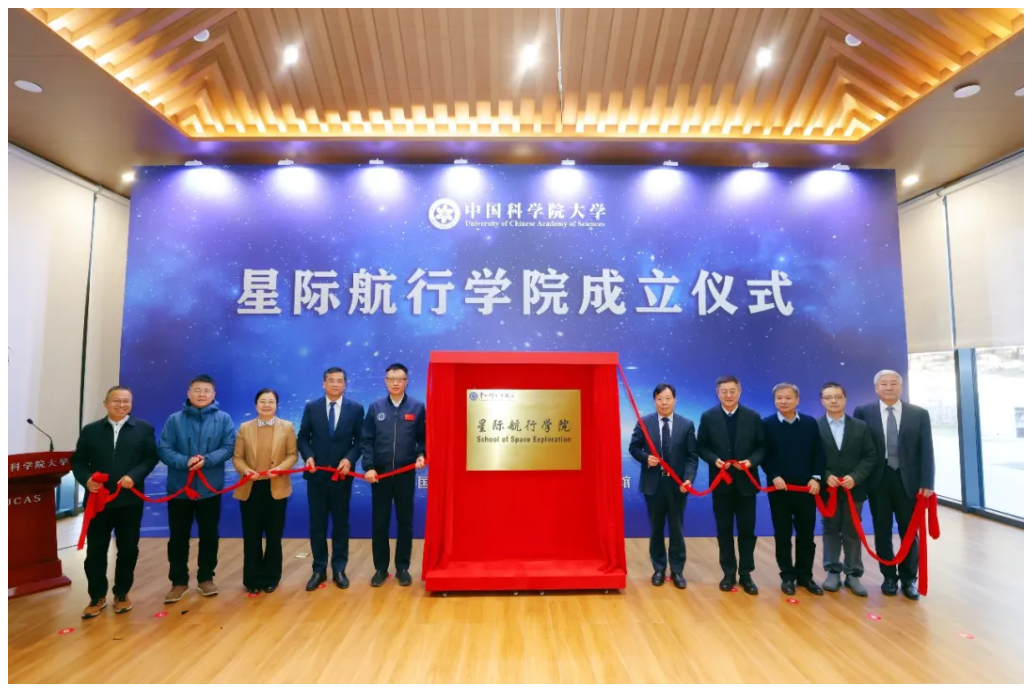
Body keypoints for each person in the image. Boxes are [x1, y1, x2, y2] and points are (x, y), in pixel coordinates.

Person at [71, 386, 159, 619]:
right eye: (116, 401)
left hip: (130, 501)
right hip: (98, 502)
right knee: (96, 551)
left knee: (128, 549)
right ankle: (96, 596)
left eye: (126, 401)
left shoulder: (143, 428)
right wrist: (86, 480)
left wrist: (134, 476)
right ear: (106, 403)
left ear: (131, 403)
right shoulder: (91, 430)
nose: (121, 405)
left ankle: (121, 593)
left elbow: (151, 458)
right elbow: (78, 461)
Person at [853, 370, 935, 601]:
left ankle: (909, 579)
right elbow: (859, 448)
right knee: (882, 530)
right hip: (877, 480)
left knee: (909, 531)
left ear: (901, 386)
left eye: (893, 383)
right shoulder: (863, 412)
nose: (888, 387)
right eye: (883, 384)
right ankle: (888, 577)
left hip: (909, 482)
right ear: (876, 388)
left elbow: (926, 449)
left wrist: (927, 482)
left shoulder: (919, 414)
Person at [158, 374, 236, 603]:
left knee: (209, 535)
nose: (202, 394)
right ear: (188, 393)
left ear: (214, 394)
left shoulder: (223, 419)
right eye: (197, 390)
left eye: (206, 390)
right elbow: (164, 449)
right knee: (178, 537)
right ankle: (178, 581)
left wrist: (207, 460)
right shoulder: (174, 420)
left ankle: (206, 578)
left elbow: (229, 447)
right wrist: (185, 461)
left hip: (210, 489)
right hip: (179, 490)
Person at [696, 375, 766, 595]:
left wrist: (750, 462)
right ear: (717, 393)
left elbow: (762, 447)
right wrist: (714, 460)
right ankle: (728, 573)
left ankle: (746, 573)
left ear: (740, 391)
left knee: (747, 530)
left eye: (732, 391)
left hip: (747, 484)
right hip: (721, 483)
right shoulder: (708, 417)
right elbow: (701, 447)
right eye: (724, 391)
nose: (728, 395)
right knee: (724, 529)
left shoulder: (753, 417)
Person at [298, 367, 364, 591]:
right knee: (317, 525)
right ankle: (319, 569)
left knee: (340, 525)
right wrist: (308, 456)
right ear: (323, 383)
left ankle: (339, 568)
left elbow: (360, 441)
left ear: (345, 384)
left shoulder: (356, 409)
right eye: (331, 380)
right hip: (316, 476)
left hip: (341, 477)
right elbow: (303, 438)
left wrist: (349, 459)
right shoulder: (312, 407)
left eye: (339, 381)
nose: (335, 384)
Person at [361, 363, 427, 588]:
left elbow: (423, 438)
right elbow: (366, 440)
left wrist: (421, 455)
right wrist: (369, 466)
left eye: (400, 379)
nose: (396, 383)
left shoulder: (417, 407)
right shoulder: (376, 407)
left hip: (404, 474)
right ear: (385, 381)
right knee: (380, 522)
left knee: (405, 522)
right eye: (391, 379)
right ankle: (381, 568)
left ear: (406, 382)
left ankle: (402, 567)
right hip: (379, 475)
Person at [628, 383, 698, 589]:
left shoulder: (686, 425)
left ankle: (677, 571)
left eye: (668, 398)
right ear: (654, 401)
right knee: (656, 528)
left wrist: (689, 479)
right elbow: (633, 447)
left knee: (676, 529)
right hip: (654, 484)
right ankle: (658, 568)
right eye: (660, 399)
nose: (664, 403)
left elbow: (692, 456)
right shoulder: (644, 422)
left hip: (677, 485)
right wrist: (645, 458)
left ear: (675, 400)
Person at [231, 388, 299, 595]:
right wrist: (246, 471)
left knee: (273, 536)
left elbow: (292, 454)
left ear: (277, 405)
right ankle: (252, 579)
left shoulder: (287, 427)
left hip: (276, 487)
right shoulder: (244, 428)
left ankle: (271, 578)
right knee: (251, 536)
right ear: (256, 405)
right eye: (262, 401)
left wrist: (280, 468)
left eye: (271, 401)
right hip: (250, 488)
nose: (266, 405)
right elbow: (237, 457)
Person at [761, 383, 825, 596]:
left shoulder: (809, 423)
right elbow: (764, 454)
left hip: (807, 490)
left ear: (797, 400)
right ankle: (787, 576)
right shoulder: (767, 424)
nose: (783, 401)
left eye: (788, 398)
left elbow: (818, 453)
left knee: (806, 535)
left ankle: (805, 576)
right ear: (774, 400)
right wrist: (774, 475)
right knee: (782, 534)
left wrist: (816, 478)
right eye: (779, 398)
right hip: (779, 490)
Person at [817, 382, 878, 597]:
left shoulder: (860, 427)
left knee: (852, 530)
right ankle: (832, 571)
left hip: (854, 489)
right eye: (828, 397)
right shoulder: (815, 427)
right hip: (828, 490)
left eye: (837, 397)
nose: (833, 401)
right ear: (822, 401)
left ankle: (853, 574)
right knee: (830, 529)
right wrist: (825, 476)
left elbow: (870, 456)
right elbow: (810, 457)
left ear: (845, 399)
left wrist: (855, 477)